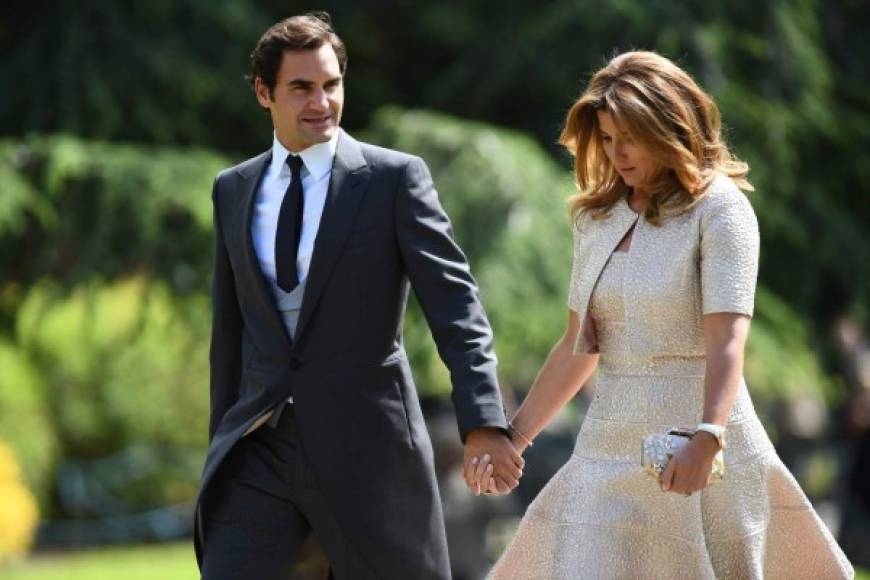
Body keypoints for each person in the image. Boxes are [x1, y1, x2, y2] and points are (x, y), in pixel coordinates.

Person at [473, 51, 854, 579]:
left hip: (697, 447)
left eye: (629, 136)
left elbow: (727, 339)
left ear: (669, 126)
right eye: (606, 137)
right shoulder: (596, 217)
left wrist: (709, 437)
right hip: (605, 445)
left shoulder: (721, 209)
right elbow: (577, 345)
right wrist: (515, 438)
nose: (617, 152)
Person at [194, 12, 524, 580]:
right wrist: (222, 443)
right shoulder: (234, 189)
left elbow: (456, 306)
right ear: (263, 92)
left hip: (369, 448)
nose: (321, 101)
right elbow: (231, 333)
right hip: (260, 451)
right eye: (301, 88)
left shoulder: (394, 180)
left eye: (331, 84)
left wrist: (484, 421)